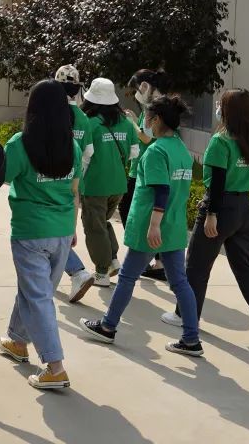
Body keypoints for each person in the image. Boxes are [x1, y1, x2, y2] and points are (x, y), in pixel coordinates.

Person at [161, 89, 249, 343]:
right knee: (245, 266)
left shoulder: (220, 142)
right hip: (243, 208)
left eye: (221, 103)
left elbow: (217, 183)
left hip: (221, 207)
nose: (217, 107)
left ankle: (185, 315)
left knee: (196, 265)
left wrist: (211, 214)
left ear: (230, 111)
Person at [80, 95, 204, 357]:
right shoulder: (181, 149)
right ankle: (192, 339)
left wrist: (154, 225)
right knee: (180, 283)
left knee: (127, 277)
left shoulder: (157, 151)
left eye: (147, 118)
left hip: (151, 228)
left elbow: (161, 190)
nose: (145, 123)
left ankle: (108, 326)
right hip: (174, 226)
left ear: (156, 120)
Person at [0, 80, 81, 390]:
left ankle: (55, 367)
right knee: (35, 291)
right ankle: (18, 342)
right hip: (62, 232)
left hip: (31, 232)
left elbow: (0, 177)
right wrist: (73, 228)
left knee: (38, 296)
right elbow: (75, 192)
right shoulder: (71, 146)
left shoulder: (20, 144)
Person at [79, 78, 139, 287]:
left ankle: (102, 273)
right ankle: (113, 260)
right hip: (118, 184)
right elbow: (134, 152)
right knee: (102, 223)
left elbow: (85, 156)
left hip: (95, 185)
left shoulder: (90, 123)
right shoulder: (126, 122)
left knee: (94, 228)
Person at [121, 69, 171, 280]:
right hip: (151, 167)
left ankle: (144, 257)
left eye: (137, 89)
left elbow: (146, 138)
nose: (136, 94)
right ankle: (158, 262)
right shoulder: (160, 106)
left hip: (144, 169)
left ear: (144, 86)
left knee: (127, 209)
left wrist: (131, 121)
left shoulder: (152, 109)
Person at [54, 65, 94, 303]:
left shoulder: (50, 113)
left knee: (47, 235)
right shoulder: (84, 118)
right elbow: (88, 153)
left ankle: (77, 271)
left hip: (49, 183)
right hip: (73, 185)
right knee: (59, 232)